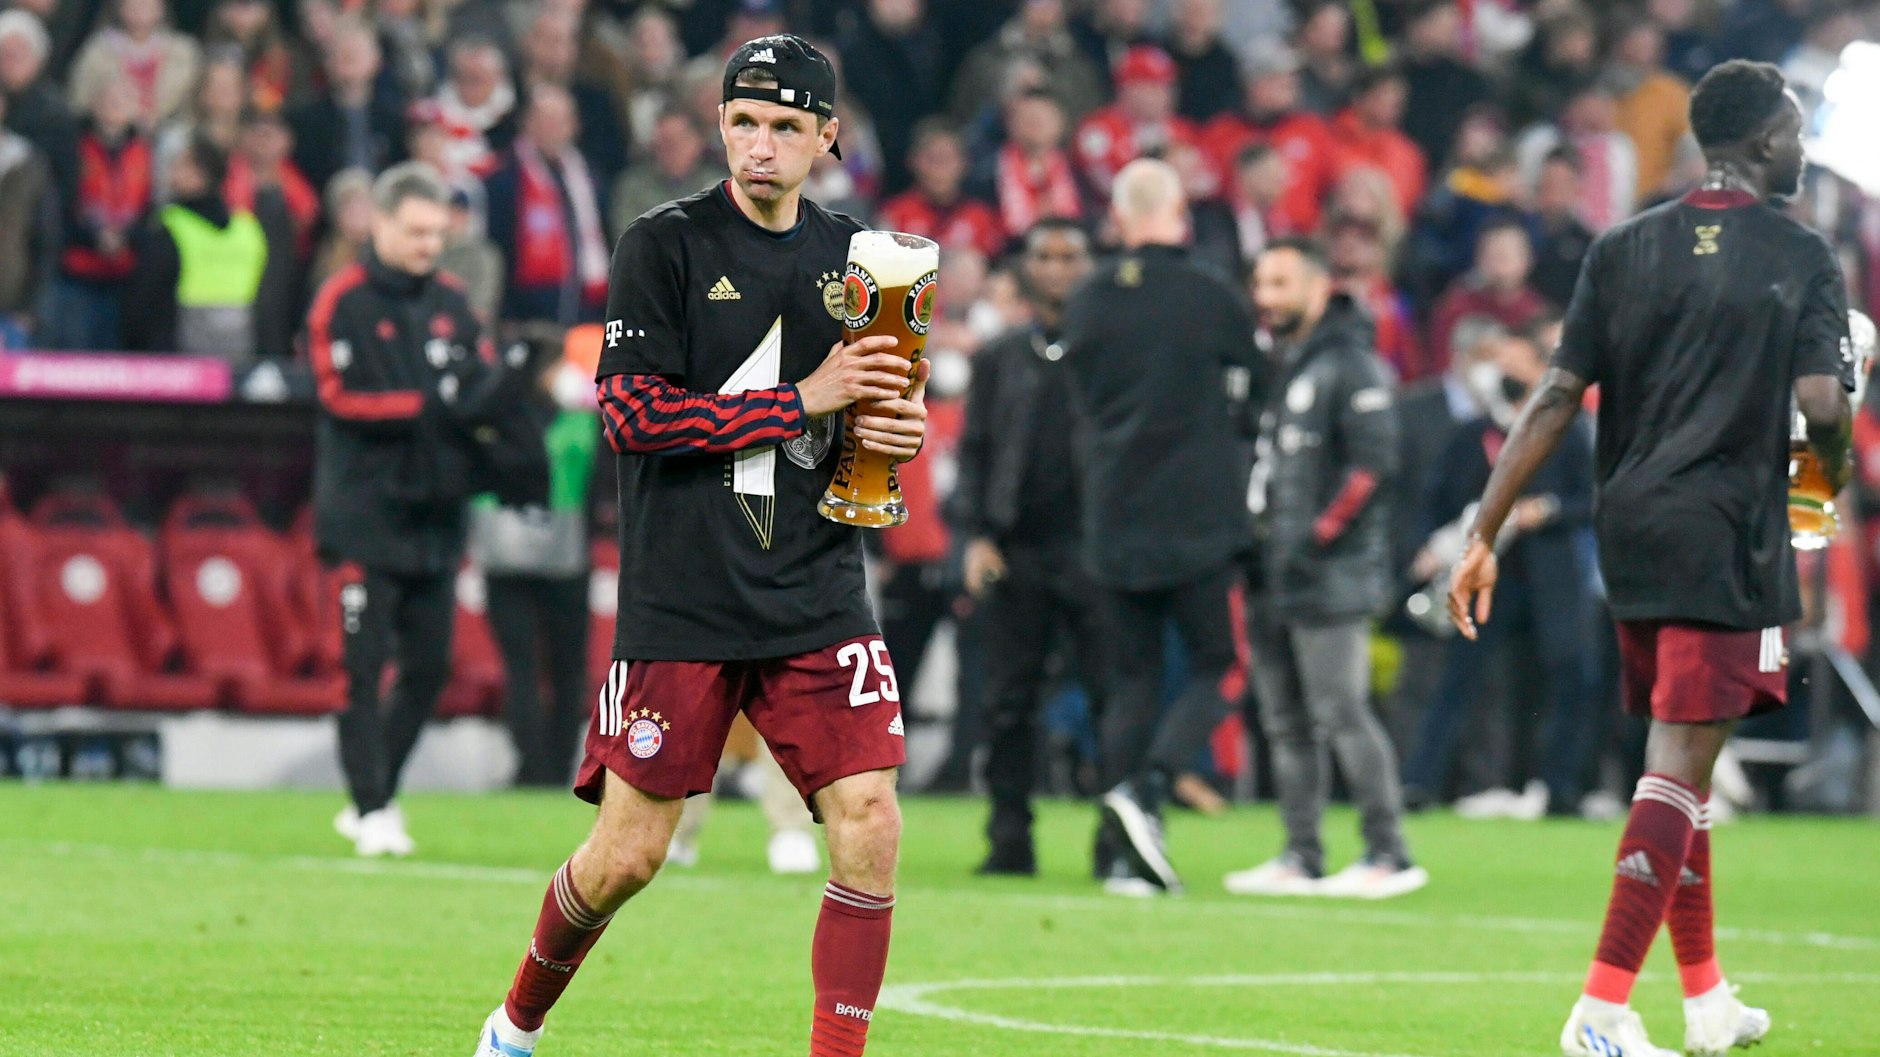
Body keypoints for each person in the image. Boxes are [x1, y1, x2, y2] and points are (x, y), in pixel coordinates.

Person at [470, 36, 930, 1057]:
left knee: (871, 820)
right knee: (628, 855)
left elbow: (879, 413)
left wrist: (898, 428)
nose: (759, 145)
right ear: (721, 126)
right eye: (742, 123)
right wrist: (800, 399)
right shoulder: (661, 246)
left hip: (816, 589)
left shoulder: (859, 258)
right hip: (682, 592)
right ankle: (513, 1025)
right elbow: (633, 416)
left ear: (825, 137)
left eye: (782, 126)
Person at [1447, 60, 1852, 1057]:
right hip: (1726, 531)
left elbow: (1550, 393)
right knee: (1676, 764)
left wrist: (1480, 531)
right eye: (1795, 130)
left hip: (1625, 529)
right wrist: (1818, 488)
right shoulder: (1798, 254)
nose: (1803, 147)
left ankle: (1706, 998)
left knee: (1686, 764)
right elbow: (1821, 408)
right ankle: (1597, 1010)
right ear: (1761, 142)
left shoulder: (1619, 246)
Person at [1061, 158, 1257, 897]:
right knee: (1217, 663)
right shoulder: (1209, 294)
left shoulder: (1088, 299)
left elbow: (1076, 395)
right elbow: (1255, 391)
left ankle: (1119, 855)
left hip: (1112, 509)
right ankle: (1145, 789)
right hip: (1198, 509)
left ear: (1118, 216)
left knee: (1132, 678)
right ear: (1178, 214)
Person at [309, 161, 509, 859]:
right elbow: (336, 394)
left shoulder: (454, 301)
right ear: (381, 222)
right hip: (364, 513)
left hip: (435, 514)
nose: (429, 245)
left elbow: (480, 383)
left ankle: (377, 791)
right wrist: (431, 407)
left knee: (429, 666)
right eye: (417, 232)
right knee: (359, 670)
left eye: (437, 233)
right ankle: (370, 806)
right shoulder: (343, 300)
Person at [1226, 236, 1421, 899]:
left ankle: (1388, 852)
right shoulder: (1288, 363)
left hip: (1326, 573)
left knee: (1342, 710)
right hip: (1275, 567)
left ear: (1317, 286)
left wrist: (1317, 536)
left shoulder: (1351, 363)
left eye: (1280, 283)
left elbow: (1373, 465)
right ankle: (1301, 852)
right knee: (1285, 719)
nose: (1266, 297)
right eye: (1261, 283)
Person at [951, 217, 1104, 876]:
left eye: (1072, 255)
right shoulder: (997, 357)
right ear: (1026, 268)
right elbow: (977, 454)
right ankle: (1008, 838)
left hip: (1097, 549)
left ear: (1091, 265)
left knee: (1111, 696)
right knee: (1007, 699)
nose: (1059, 268)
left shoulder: (1113, 352)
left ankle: (1119, 839)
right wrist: (977, 536)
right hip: (1017, 549)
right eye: (1046, 255)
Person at [1403, 323, 1596, 816]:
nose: (1507, 377)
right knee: (1458, 679)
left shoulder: (1567, 431)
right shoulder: (1474, 435)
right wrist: (1430, 545)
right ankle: (1421, 782)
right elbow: (1436, 497)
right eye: (1502, 368)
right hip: (1490, 575)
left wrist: (1546, 509)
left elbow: (1592, 496)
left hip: (1552, 576)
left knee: (1570, 678)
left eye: (1516, 368)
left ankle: (1562, 788)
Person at [124, 133, 266, 362]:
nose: (171, 173)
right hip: (238, 351)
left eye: (180, 165)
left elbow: (145, 296)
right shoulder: (248, 229)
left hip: (178, 352)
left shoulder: (170, 224)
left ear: (201, 174)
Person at [483, 84, 609, 327]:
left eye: (561, 120)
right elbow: (498, 248)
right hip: (528, 315)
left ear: (575, 125)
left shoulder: (590, 176)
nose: (553, 129)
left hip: (587, 310)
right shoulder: (504, 178)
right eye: (545, 120)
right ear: (527, 122)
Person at [875, 119, 1005, 259]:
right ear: (913, 161)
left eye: (948, 158)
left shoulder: (982, 217)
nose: (940, 168)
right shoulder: (895, 213)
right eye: (933, 159)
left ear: (964, 163)